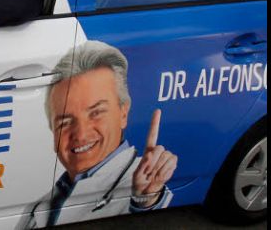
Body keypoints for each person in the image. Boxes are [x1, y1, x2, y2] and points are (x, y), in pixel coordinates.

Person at [17, 40, 178, 228]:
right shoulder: (37, 206)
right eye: (65, 122)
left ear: (123, 113)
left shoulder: (141, 186)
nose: (81, 134)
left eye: (96, 113)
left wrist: (146, 201)